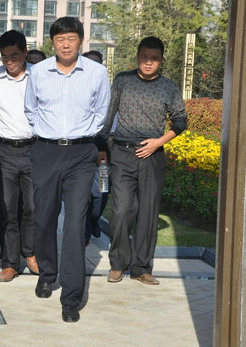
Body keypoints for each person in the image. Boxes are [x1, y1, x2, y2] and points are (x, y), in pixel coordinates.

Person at [24, 16, 110, 323]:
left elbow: (102, 112)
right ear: (53, 43)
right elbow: (30, 109)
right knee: (44, 216)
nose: (65, 44)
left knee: (75, 223)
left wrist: (82, 134)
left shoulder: (97, 73)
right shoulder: (38, 72)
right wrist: (47, 133)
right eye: (60, 39)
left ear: (81, 41)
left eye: (71, 38)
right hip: (45, 151)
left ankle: (71, 297)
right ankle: (47, 274)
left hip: (81, 153)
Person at [98, 36, 186, 286]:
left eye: (154, 58)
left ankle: (142, 268)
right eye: (145, 57)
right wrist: (101, 148)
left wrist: (159, 142)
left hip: (153, 155)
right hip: (123, 153)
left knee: (148, 213)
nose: (149, 62)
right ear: (137, 57)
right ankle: (118, 264)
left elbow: (181, 120)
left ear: (161, 60)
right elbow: (108, 116)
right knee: (122, 210)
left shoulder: (169, 87)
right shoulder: (123, 80)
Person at [0, 30, 38, 282]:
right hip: (4, 152)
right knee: (6, 209)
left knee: (33, 206)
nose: (9, 61)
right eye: (5, 57)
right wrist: (3, 132)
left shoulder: (38, 76)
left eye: (14, 56)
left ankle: (31, 252)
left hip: (34, 149)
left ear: (25, 52)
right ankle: (9, 262)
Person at [81, 50, 109, 244]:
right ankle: (84, 233)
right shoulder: (75, 89)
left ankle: (94, 219)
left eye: (97, 63)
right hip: (80, 153)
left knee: (101, 193)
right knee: (81, 196)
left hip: (103, 155)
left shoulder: (108, 90)